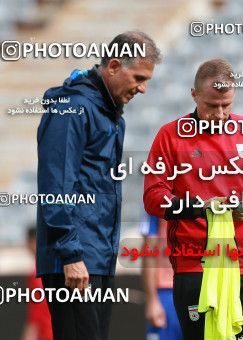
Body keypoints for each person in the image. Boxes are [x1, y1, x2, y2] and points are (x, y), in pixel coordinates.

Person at [143, 58, 243, 339]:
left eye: (226, 105)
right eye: (211, 106)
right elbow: (153, 197)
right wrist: (199, 208)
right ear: (194, 95)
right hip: (196, 266)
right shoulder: (170, 137)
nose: (220, 114)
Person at [36, 31, 160, 340]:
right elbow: (55, 185)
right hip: (75, 257)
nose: (144, 88)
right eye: (139, 77)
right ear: (115, 65)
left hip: (97, 255)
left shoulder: (112, 115)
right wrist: (71, 255)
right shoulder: (72, 109)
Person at [140, 212, 183, 340]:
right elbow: (149, 249)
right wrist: (152, 299)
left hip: (203, 290)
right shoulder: (157, 199)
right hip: (166, 293)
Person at [21, 226, 53, 340]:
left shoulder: (38, 273)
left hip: (46, 333)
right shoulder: (52, 268)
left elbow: (37, 310)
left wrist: (30, 333)